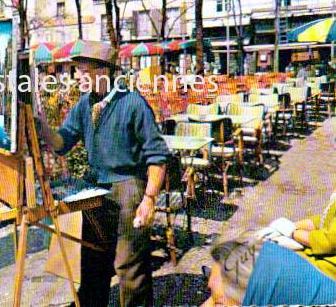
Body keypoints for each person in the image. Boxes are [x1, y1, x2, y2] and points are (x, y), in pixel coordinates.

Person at [38, 41, 170, 307]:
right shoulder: (85, 104)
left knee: (128, 264)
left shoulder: (132, 103)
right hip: (96, 188)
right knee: (92, 259)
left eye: (82, 70)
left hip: (127, 188)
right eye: (76, 71)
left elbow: (158, 156)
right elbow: (63, 142)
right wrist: (41, 127)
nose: (76, 77)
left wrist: (149, 199)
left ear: (103, 71)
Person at [202, 191, 336, 307]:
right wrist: (288, 226)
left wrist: (292, 232)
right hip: (316, 255)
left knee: (265, 256)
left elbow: (327, 243)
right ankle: (224, 281)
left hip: (325, 265)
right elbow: (324, 219)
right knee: (257, 247)